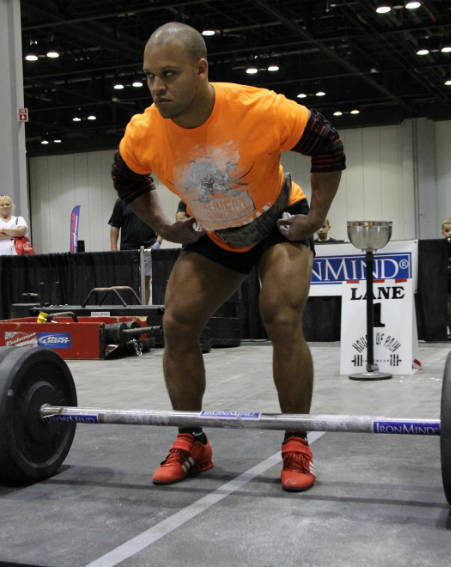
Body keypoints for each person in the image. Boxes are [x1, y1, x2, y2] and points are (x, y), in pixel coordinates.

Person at [111, 22, 344, 492]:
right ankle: (191, 439)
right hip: (215, 232)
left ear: (201, 70)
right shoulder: (144, 131)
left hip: (278, 220)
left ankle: (297, 442)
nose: (158, 87)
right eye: (150, 76)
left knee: (280, 316)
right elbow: (127, 178)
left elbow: (327, 144)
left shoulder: (258, 108)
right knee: (176, 323)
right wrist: (163, 226)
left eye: (169, 74)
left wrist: (316, 216)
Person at [108, 197, 162, 304]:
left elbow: (161, 223)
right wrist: (113, 247)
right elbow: (115, 226)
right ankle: (131, 311)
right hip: (128, 250)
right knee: (129, 282)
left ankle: (143, 312)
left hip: (148, 247)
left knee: (145, 282)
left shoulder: (151, 200)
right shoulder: (121, 202)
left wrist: (158, 242)